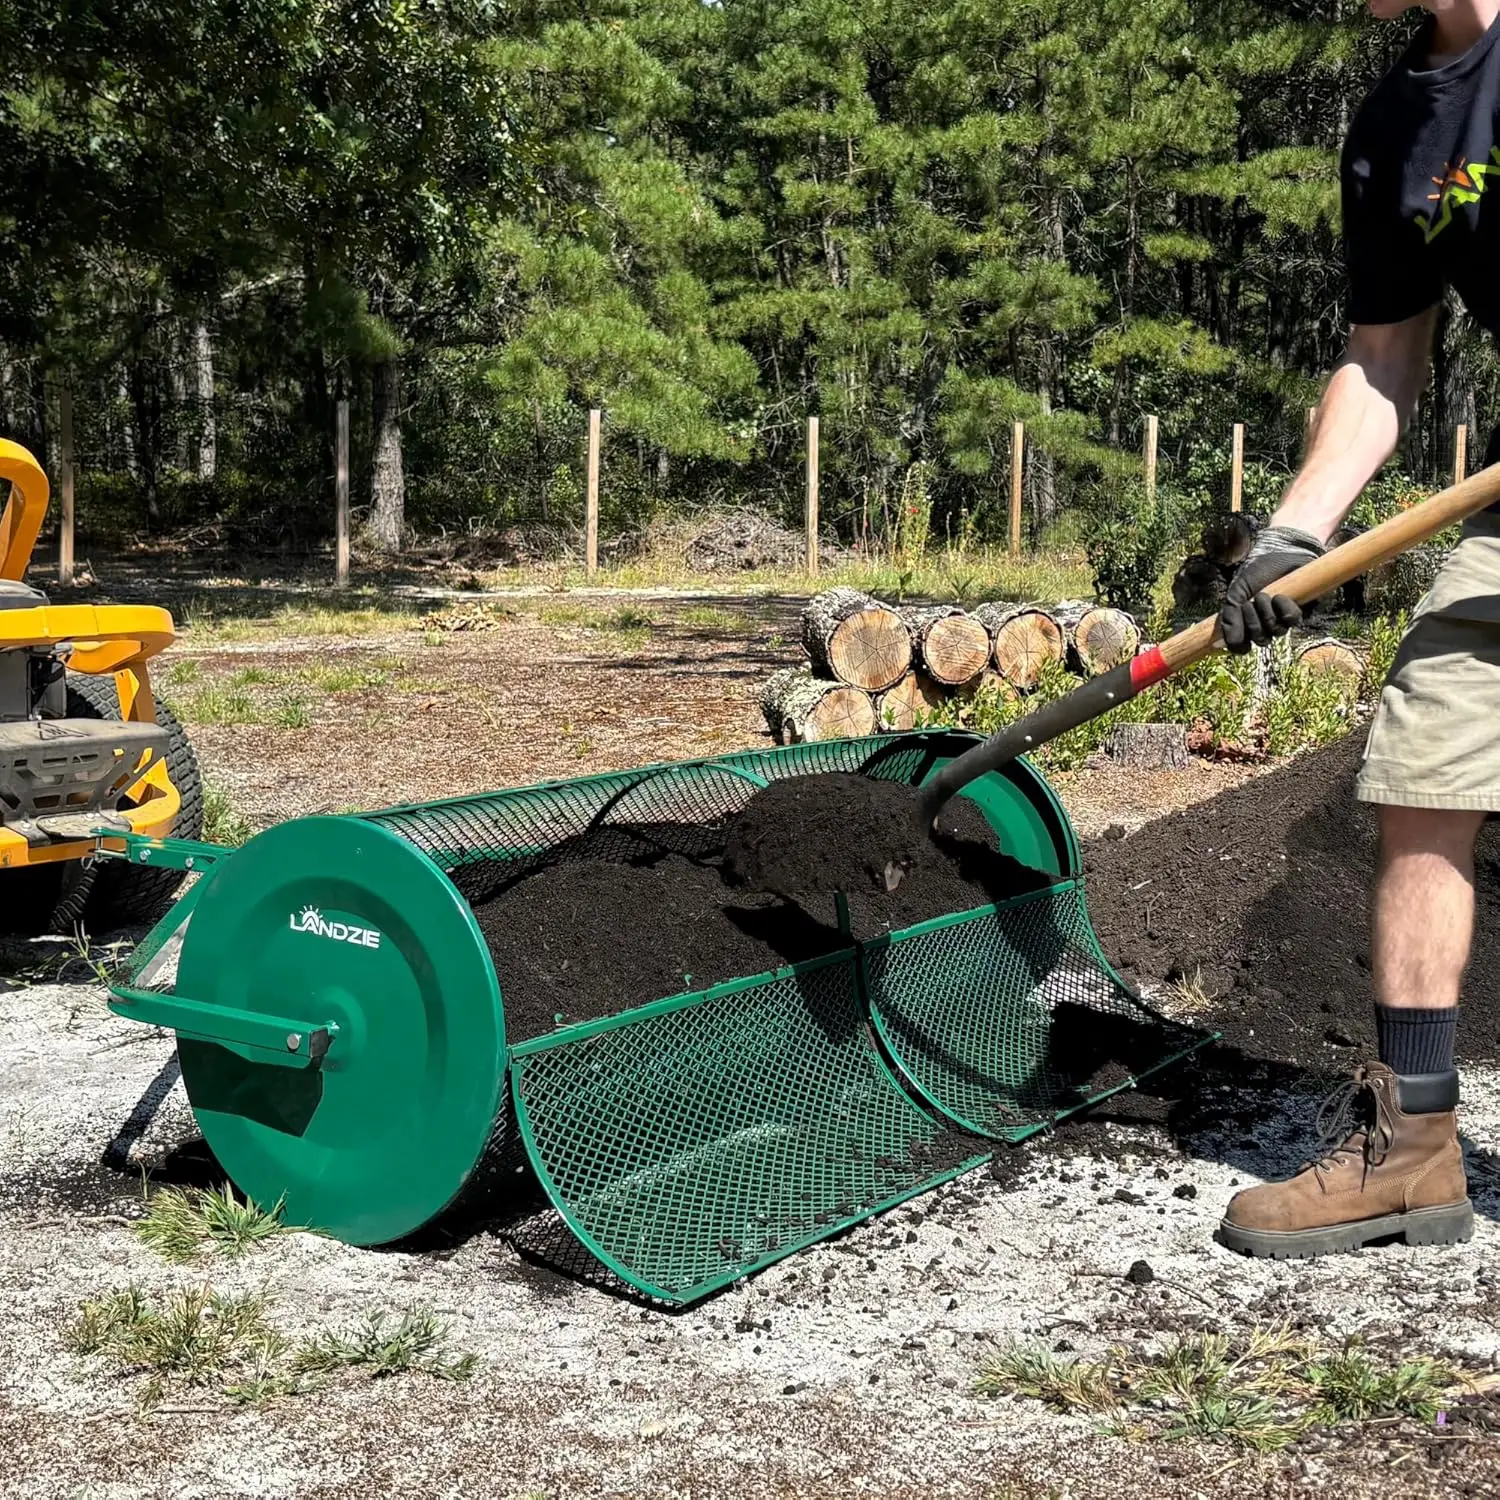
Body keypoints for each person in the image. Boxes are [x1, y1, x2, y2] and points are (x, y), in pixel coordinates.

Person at [1213, 0, 1500, 1258]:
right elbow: (1386, 358)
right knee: (1430, 729)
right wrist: (1298, 533)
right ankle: (1414, 1145)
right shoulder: (1398, 127)